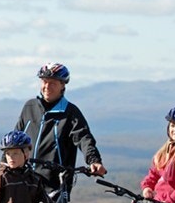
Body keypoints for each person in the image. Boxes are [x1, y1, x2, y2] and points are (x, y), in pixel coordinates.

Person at [15, 62, 106, 193]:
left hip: (54, 184)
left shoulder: (70, 113)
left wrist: (94, 160)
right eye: (44, 82)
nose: (47, 87)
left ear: (62, 85)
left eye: (53, 83)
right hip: (24, 179)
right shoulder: (30, 107)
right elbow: (15, 138)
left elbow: (84, 138)